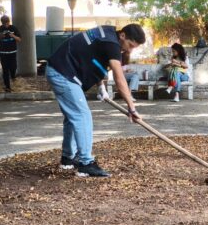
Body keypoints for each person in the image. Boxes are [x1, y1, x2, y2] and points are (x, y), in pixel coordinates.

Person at [46, 24, 146, 177]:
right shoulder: (112, 44)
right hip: (62, 73)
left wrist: (101, 86)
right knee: (82, 116)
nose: (129, 50)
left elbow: (94, 58)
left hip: (60, 69)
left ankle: (67, 158)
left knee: (73, 117)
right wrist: (132, 109)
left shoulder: (108, 33)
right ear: (123, 35)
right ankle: (86, 163)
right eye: (130, 45)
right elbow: (120, 79)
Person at [0, 15, 21, 92]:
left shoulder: (13, 28)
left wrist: (12, 35)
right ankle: (7, 87)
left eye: (7, 23)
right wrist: (0, 36)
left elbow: (19, 39)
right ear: (2, 22)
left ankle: (13, 76)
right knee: (5, 69)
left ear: (9, 21)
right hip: (3, 52)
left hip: (12, 52)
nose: (6, 25)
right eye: (4, 23)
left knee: (13, 67)